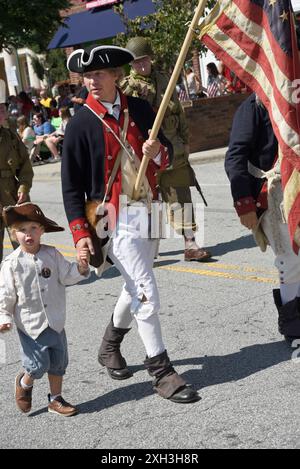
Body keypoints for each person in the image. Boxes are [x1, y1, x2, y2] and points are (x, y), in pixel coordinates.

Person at [62, 44, 199, 404]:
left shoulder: (138, 108)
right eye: (87, 75)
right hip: (111, 218)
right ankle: (162, 372)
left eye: (99, 74)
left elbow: (165, 152)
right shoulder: (79, 123)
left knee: (135, 283)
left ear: (117, 76)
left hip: (147, 208)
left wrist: (159, 154)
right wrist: (80, 234)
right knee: (145, 289)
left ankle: (110, 345)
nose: (91, 81)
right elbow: (71, 187)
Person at [121, 37, 211, 262]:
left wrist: (185, 141)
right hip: (145, 153)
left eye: (144, 60)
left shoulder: (165, 81)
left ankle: (190, 243)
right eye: (137, 63)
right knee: (148, 201)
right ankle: (149, 248)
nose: (142, 66)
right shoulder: (126, 89)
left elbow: (178, 112)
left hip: (172, 148)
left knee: (181, 194)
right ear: (131, 65)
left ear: (151, 59)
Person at [0, 203, 90, 415]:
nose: (28, 234)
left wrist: (81, 267)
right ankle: (24, 382)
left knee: (59, 363)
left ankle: (55, 399)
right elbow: (5, 294)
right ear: (14, 235)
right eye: (22, 230)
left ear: (41, 230)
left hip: (56, 321)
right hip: (31, 325)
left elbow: (67, 275)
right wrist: (4, 316)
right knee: (38, 365)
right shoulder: (11, 263)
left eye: (33, 228)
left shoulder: (52, 254)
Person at [225, 93, 300, 346]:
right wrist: (243, 201)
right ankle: (293, 324)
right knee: (289, 259)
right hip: (275, 192)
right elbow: (235, 155)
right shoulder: (253, 106)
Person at [0, 80, 33, 263]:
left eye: (3, 109)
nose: (2, 113)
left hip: (12, 194)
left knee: (22, 242)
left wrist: (23, 188)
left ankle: (25, 279)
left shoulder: (11, 137)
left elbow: (25, 166)